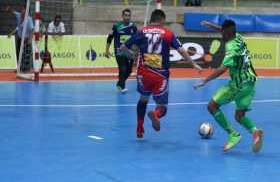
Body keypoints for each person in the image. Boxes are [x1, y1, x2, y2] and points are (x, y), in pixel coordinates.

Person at [120, 9, 202, 138]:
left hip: (143, 73)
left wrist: (133, 56)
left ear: (152, 19)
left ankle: (139, 128)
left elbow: (123, 48)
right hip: (160, 75)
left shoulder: (142, 31)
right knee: (162, 106)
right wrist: (193, 64)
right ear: (162, 20)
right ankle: (156, 115)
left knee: (143, 99)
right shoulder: (168, 33)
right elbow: (181, 50)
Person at [194, 20, 263, 153]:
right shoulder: (238, 37)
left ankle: (233, 134)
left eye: (222, 33)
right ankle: (255, 132)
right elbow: (225, 29)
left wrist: (205, 80)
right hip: (251, 82)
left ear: (226, 33)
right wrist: (212, 26)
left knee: (212, 106)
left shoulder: (230, 46)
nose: (221, 35)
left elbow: (223, 68)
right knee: (239, 115)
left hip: (238, 84)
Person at [105, 9, 138, 93]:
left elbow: (136, 39)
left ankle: (119, 83)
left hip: (129, 52)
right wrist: (106, 51)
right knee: (122, 69)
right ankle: (122, 87)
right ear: (122, 16)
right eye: (126, 15)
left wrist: (136, 51)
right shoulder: (116, 26)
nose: (127, 17)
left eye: (129, 15)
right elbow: (110, 38)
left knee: (129, 70)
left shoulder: (133, 27)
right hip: (119, 51)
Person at [5, 5, 34, 72]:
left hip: (26, 39)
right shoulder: (18, 15)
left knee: (26, 54)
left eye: (24, 9)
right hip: (20, 38)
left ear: (27, 11)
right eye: (22, 9)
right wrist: (9, 9)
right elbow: (12, 11)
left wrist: (30, 39)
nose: (22, 10)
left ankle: (27, 69)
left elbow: (32, 30)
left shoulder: (29, 19)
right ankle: (19, 68)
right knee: (19, 53)